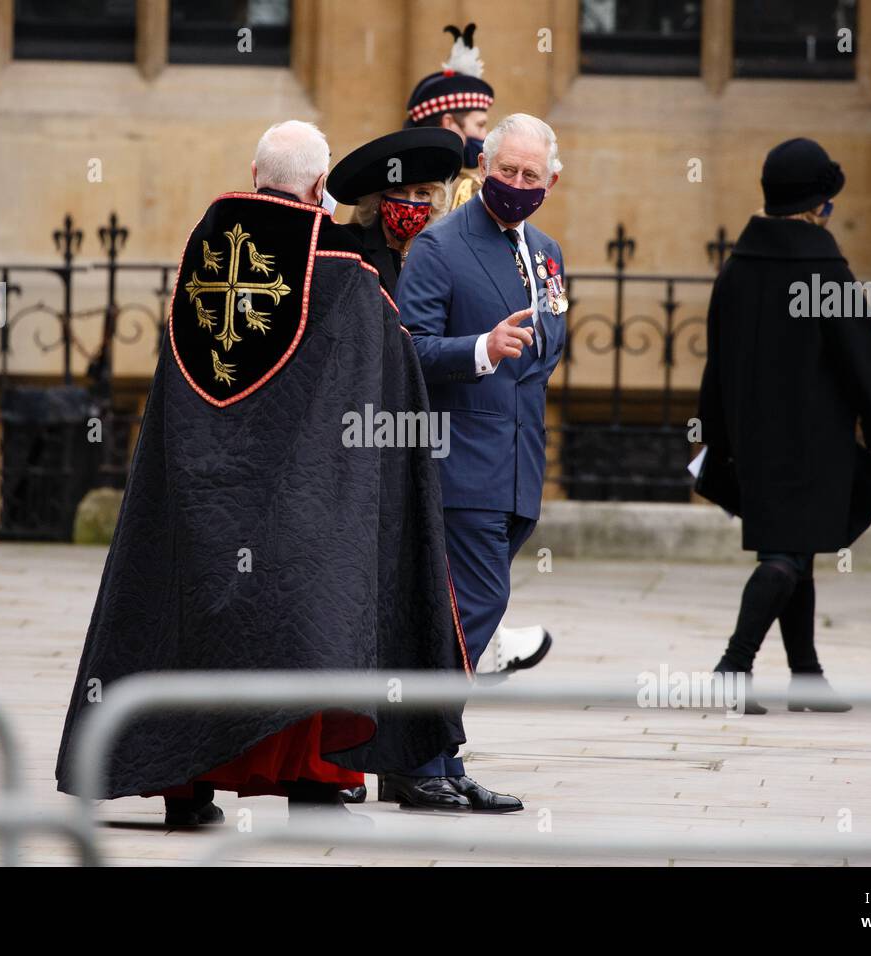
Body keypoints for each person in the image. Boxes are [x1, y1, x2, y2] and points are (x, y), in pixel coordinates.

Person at [54, 120, 470, 825]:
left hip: (196, 494)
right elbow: (384, 385)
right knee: (308, 617)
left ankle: (185, 793)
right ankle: (311, 783)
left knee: (189, 620)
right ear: (318, 187)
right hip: (300, 501)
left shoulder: (200, 260)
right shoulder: (345, 274)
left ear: (254, 174)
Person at [388, 113, 568, 812]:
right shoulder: (440, 247)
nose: (518, 185)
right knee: (474, 607)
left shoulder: (547, 250)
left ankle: (439, 754)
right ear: (483, 169)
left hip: (520, 463)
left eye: (531, 176)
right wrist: (481, 349)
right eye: (506, 172)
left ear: (551, 178)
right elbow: (409, 347)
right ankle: (415, 757)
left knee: (468, 611)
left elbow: (549, 339)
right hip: (462, 463)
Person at [696, 137, 871, 714]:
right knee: (785, 558)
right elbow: (864, 362)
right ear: (816, 207)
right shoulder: (824, 271)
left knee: (796, 548)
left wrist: (714, 439)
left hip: (752, 440)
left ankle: (807, 676)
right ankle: (732, 668)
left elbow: (715, 365)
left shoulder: (735, 271)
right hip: (815, 442)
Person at [327, 127, 463, 295]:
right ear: (377, 198)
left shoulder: (443, 253)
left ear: (435, 202)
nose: (410, 202)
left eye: (422, 193)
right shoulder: (350, 246)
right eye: (399, 190)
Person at [406, 23, 494, 210]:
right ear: (449, 123)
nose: (485, 135)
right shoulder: (470, 193)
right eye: (480, 125)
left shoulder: (389, 180)